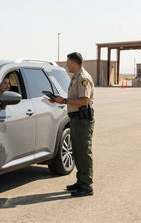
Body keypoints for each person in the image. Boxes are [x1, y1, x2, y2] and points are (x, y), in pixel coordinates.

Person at [50, 52, 95, 197]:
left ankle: (87, 186)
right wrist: (59, 100)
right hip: (75, 118)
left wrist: (63, 101)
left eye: (68, 62)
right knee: (76, 151)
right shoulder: (75, 77)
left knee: (84, 151)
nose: (66, 65)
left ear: (75, 63)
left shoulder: (83, 78)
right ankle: (80, 181)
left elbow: (83, 101)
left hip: (83, 120)